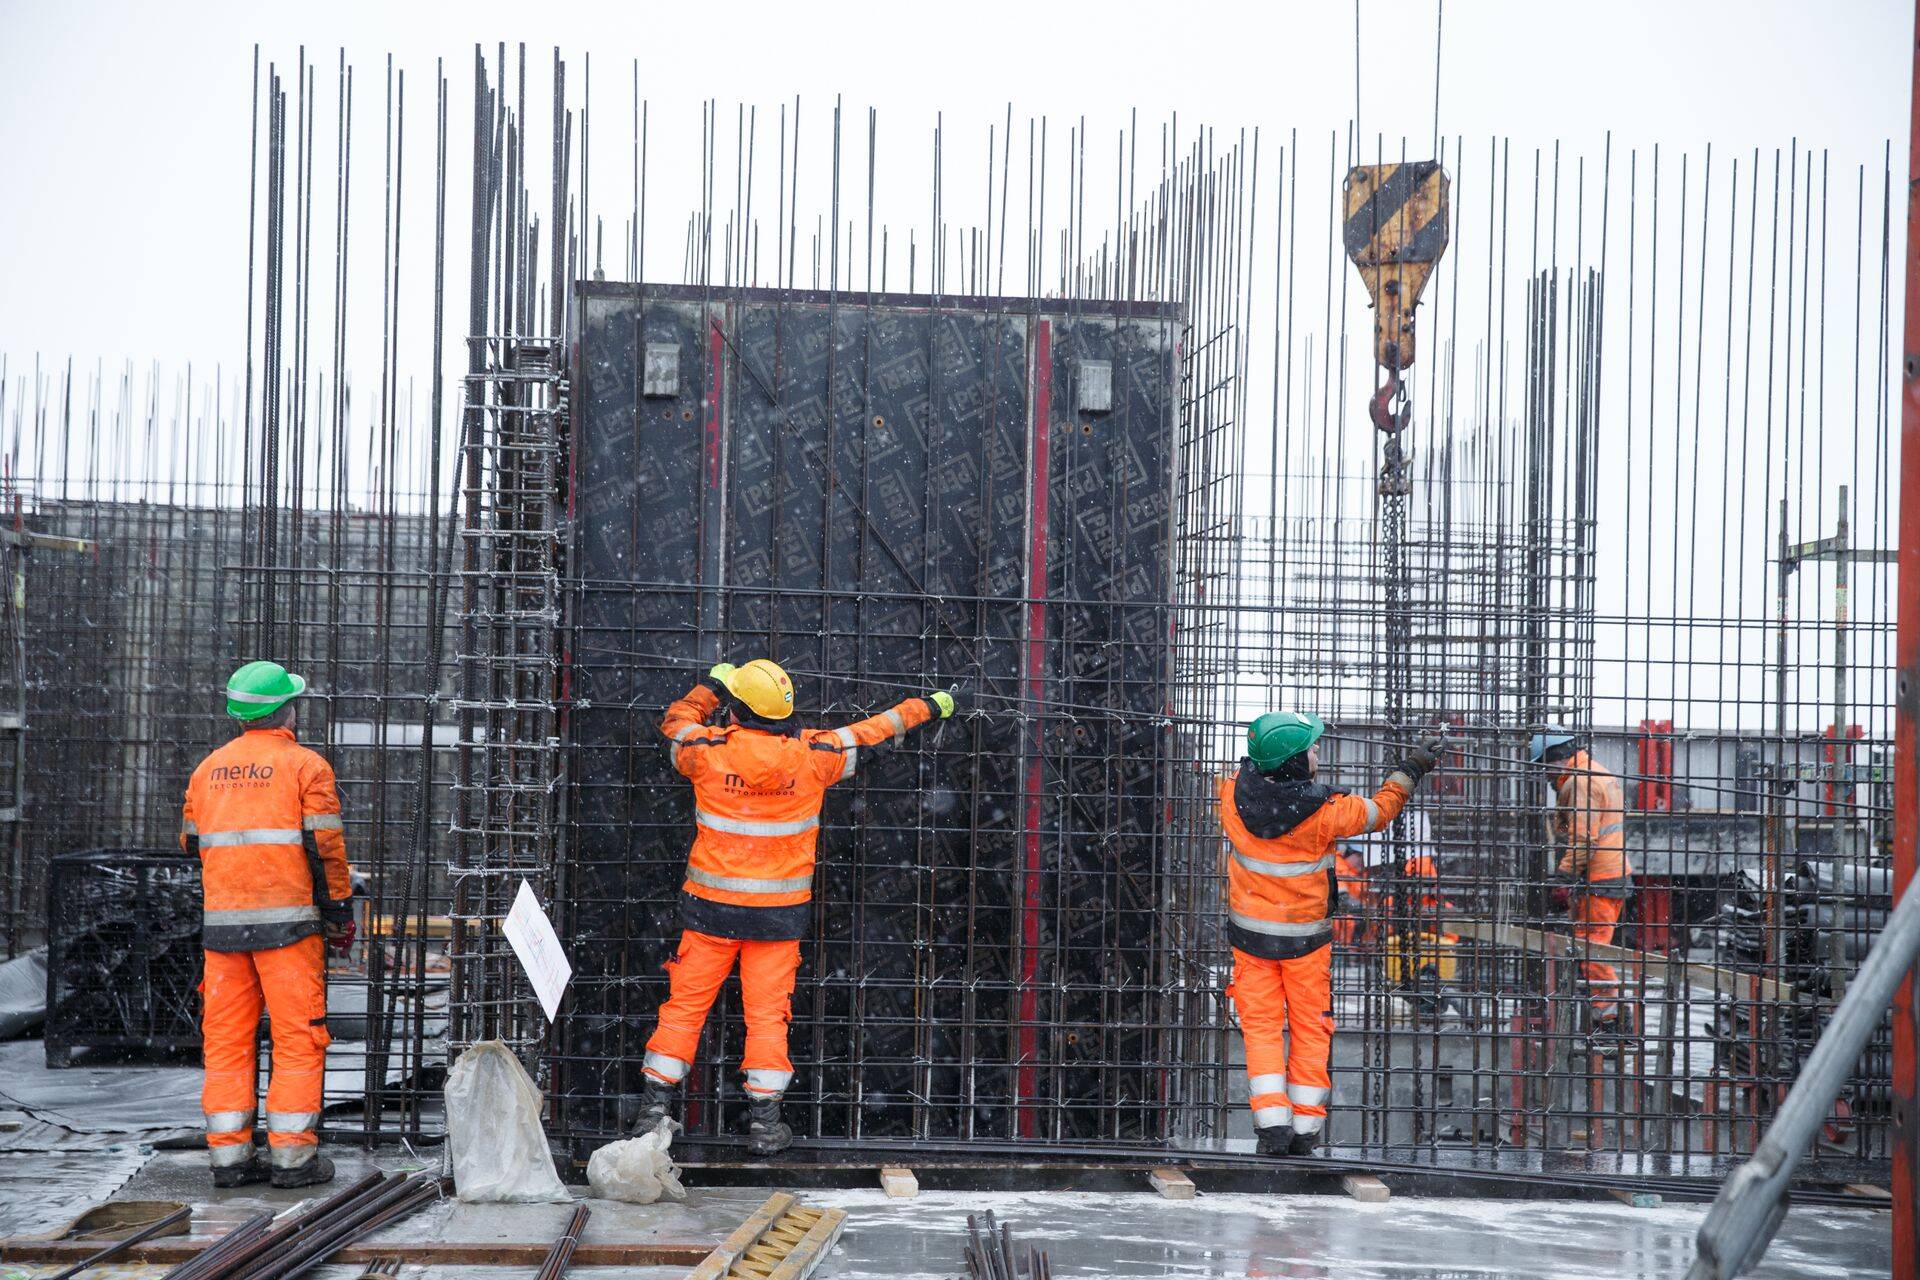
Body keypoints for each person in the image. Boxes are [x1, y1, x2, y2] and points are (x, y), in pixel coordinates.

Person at [637, 658, 956, 1154]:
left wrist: (711, 687)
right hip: (777, 918)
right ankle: (765, 1126)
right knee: (767, 1016)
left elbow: (676, 722)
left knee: (684, 1009)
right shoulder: (814, 756)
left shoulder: (706, 752)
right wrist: (931, 706)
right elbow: (875, 732)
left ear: (738, 710)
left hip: (710, 913)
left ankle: (651, 1116)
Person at [1221, 712, 1443, 1156]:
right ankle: (1305, 1129)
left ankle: (1272, 1127)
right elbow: (1381, 810)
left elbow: (1245, 776)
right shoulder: (1327, 812)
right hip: (1305, 945)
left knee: (1261, 1030)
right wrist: (1412, 768)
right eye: (1311, 747)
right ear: (1295, 760)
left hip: (1251, 941)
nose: (1318, 751)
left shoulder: (1231, 795)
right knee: (1310, 1029)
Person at [181, 661, 355, 1188]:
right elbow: (325, 848)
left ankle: (229, 1159)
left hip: (223, 933)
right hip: (289, 932)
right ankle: (292, 1159)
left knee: (227, 1042)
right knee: (298, 1039)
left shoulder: (207, 769)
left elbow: (192, 842)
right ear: (286, 711)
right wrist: (339, 912)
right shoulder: (306, 767)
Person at [1529, 728, 1634, 1051]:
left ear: (1555, 759)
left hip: (1600, 878)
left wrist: (1563, 876)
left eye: (1545, 768)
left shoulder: (1580, 782)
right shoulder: (1595, 771)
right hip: (1608, 873)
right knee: (1591, 948)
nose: (1546, 776)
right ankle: (1609, 1018)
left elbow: (1583, 838)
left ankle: (1611, 1022)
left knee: (1591, 951)